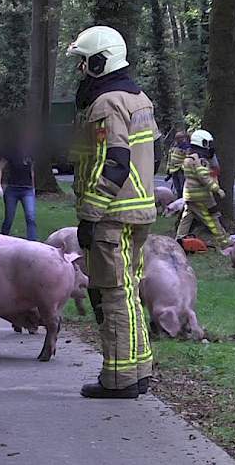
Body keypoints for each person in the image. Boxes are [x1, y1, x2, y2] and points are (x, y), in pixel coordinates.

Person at [66, 25, 159, 399]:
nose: (81, 71)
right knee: (129, 291)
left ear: (100, 62)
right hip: (137, 212)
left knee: (111, 294)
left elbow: (114, 162)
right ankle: (138, 369)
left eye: (85, 62)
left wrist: (90, 214)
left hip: (111, 214)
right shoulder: (140, 99)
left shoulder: (106, 105)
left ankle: (118, 378)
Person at [175, 129, 230, 250]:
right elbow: (204, 177)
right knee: (211, 219)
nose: (210, 148)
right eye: (208, 144)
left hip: (190, 195)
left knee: (186, 218)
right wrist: (217, 189)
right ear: (201, 144)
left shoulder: (190, 158)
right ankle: (225, 243)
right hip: (201, 197)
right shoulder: (199, 161)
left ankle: (179, 241)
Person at [0, 129, 37, 240]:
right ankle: (2, 239)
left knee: (31, 217)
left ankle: (33, 243)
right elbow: (0, 168)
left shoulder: (30, 153)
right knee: (9, 218)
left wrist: (33, 187)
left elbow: (32, 171)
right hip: (12, 190)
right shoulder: (10, 151)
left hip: (27, 190)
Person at [165, 131, 189, 199]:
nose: (178, 139)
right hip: (173, 169)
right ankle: (179, 198)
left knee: (182, 187)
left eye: (180, 138)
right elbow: (170, 157)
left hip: (181, 169)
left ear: (184, 138)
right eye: (177, 138)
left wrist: (183, 167)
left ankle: (182, 199)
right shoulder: (174, 146)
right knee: (177, 187)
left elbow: (188, 157)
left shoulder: (186, 146)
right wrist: (168, 168)